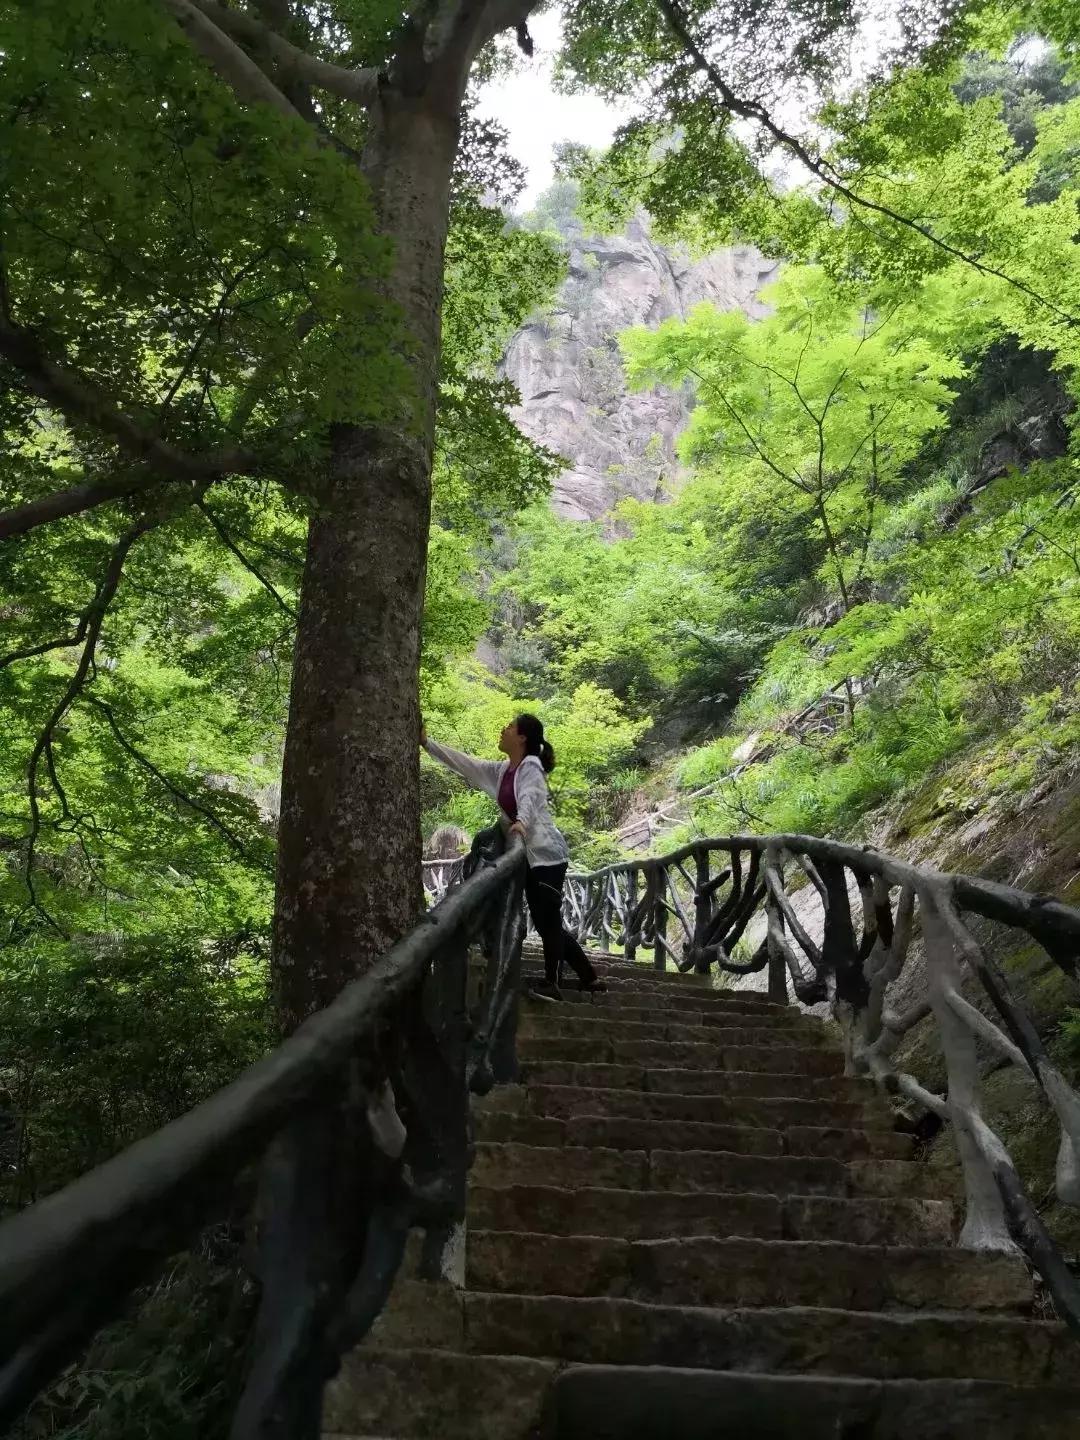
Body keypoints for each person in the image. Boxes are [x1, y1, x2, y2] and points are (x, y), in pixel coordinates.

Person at [421, 713, 603, 1000]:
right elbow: (467, 764)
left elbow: (531, 796)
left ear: (522, 737)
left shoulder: (531, 767)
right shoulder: (503, 769)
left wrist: (522, 822)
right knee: (547, 921)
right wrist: (427, 744)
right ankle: (589, 977)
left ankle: (552, 983)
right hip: (528, 858)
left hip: (547, 857)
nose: (502, 730)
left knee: (547, 920)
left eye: (508, 727)